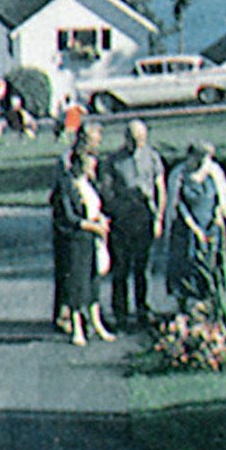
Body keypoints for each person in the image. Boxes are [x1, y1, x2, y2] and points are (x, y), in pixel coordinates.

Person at [98, 118, 166, 328]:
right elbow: (106, 191)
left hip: (144, 216)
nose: (137, 143)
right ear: (125, 138)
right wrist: (116, 211)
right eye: (133, 139)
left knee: (142, 267)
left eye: (141, 139)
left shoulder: (152, 157)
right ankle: (120, 311)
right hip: (122, 219)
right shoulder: (113, 161)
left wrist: (159, 218)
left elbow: (159, 188)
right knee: (121, 267)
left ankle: (143, 309)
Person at [50, 141, 115, 346]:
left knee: (93, 281)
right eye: (89, 166)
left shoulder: (89, 184)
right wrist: (91, 225)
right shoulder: (65, 186)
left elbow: (95, 207)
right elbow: (68, 217)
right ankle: (77, 328)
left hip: (92, 240)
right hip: (75, 241)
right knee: (77, 285)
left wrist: (101, 220)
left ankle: (97, 324)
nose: (92, 171)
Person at [163, 140, 226, 306]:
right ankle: (184, 304)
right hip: (186, 229)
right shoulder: (179, 174)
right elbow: (176, 205)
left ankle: (208, 302)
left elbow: (223, 196)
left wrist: (222, 217)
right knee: (187, 263)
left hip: (210, 226)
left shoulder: (213, 172)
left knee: (210, 263)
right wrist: (193, 227)